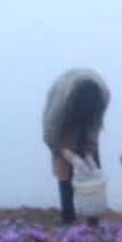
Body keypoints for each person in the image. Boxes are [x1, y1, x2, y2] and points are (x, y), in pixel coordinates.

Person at [42, 69, 110, 225]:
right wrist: (66, 153)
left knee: (92, 167)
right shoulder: (61, 101)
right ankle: (68, 218)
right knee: (64, 170)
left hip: (89, 115)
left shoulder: (102, 96)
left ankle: (93, 220)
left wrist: (88, 152)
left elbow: (94, 127)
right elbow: (49, 135)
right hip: (65, 119)